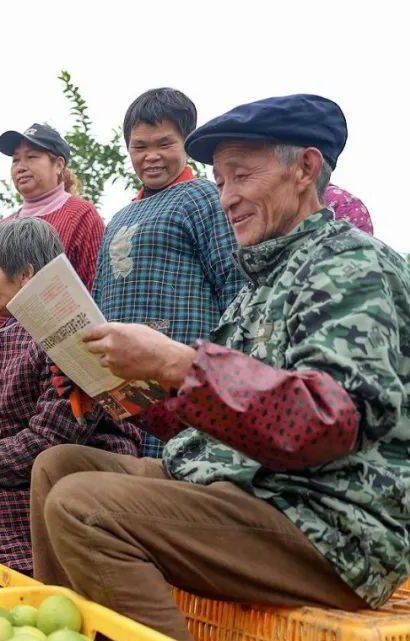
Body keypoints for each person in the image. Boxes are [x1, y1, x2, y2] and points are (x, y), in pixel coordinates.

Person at [31, 94, 410, 641]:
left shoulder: (352, 266)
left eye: (242, 175)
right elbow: (217, 414)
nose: (226, 196)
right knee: (61, 468)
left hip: (330, 523)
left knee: (84, 505)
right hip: (253, 491)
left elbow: (328, 422)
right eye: (218, 181)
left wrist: (178, 363)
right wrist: (122, 386)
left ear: (305, 168)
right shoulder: (264, 280)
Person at [0, 218, 140, 575]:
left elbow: (49, 440)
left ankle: (27, 596)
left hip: (82, 472)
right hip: (33, 466)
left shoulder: (73, 335)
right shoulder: (9, 336)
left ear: (25, 275)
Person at [90, 88, 244, 457]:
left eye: (165, 144)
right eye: (139, 147)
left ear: (187, 142)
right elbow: (98, 297)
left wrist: (225, 369)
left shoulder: (204, 197)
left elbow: (235, 285)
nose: (151, 156)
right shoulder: (119, 217)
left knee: (175, 474)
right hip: (123, 382)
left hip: (181, 377)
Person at [0, 124, 106, 415]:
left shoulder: (82, 215)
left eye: (32, 157)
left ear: (58, 165)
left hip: (47, 367)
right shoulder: (3, 225)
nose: (21, 166)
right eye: (16, 159)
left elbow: (92, 291)